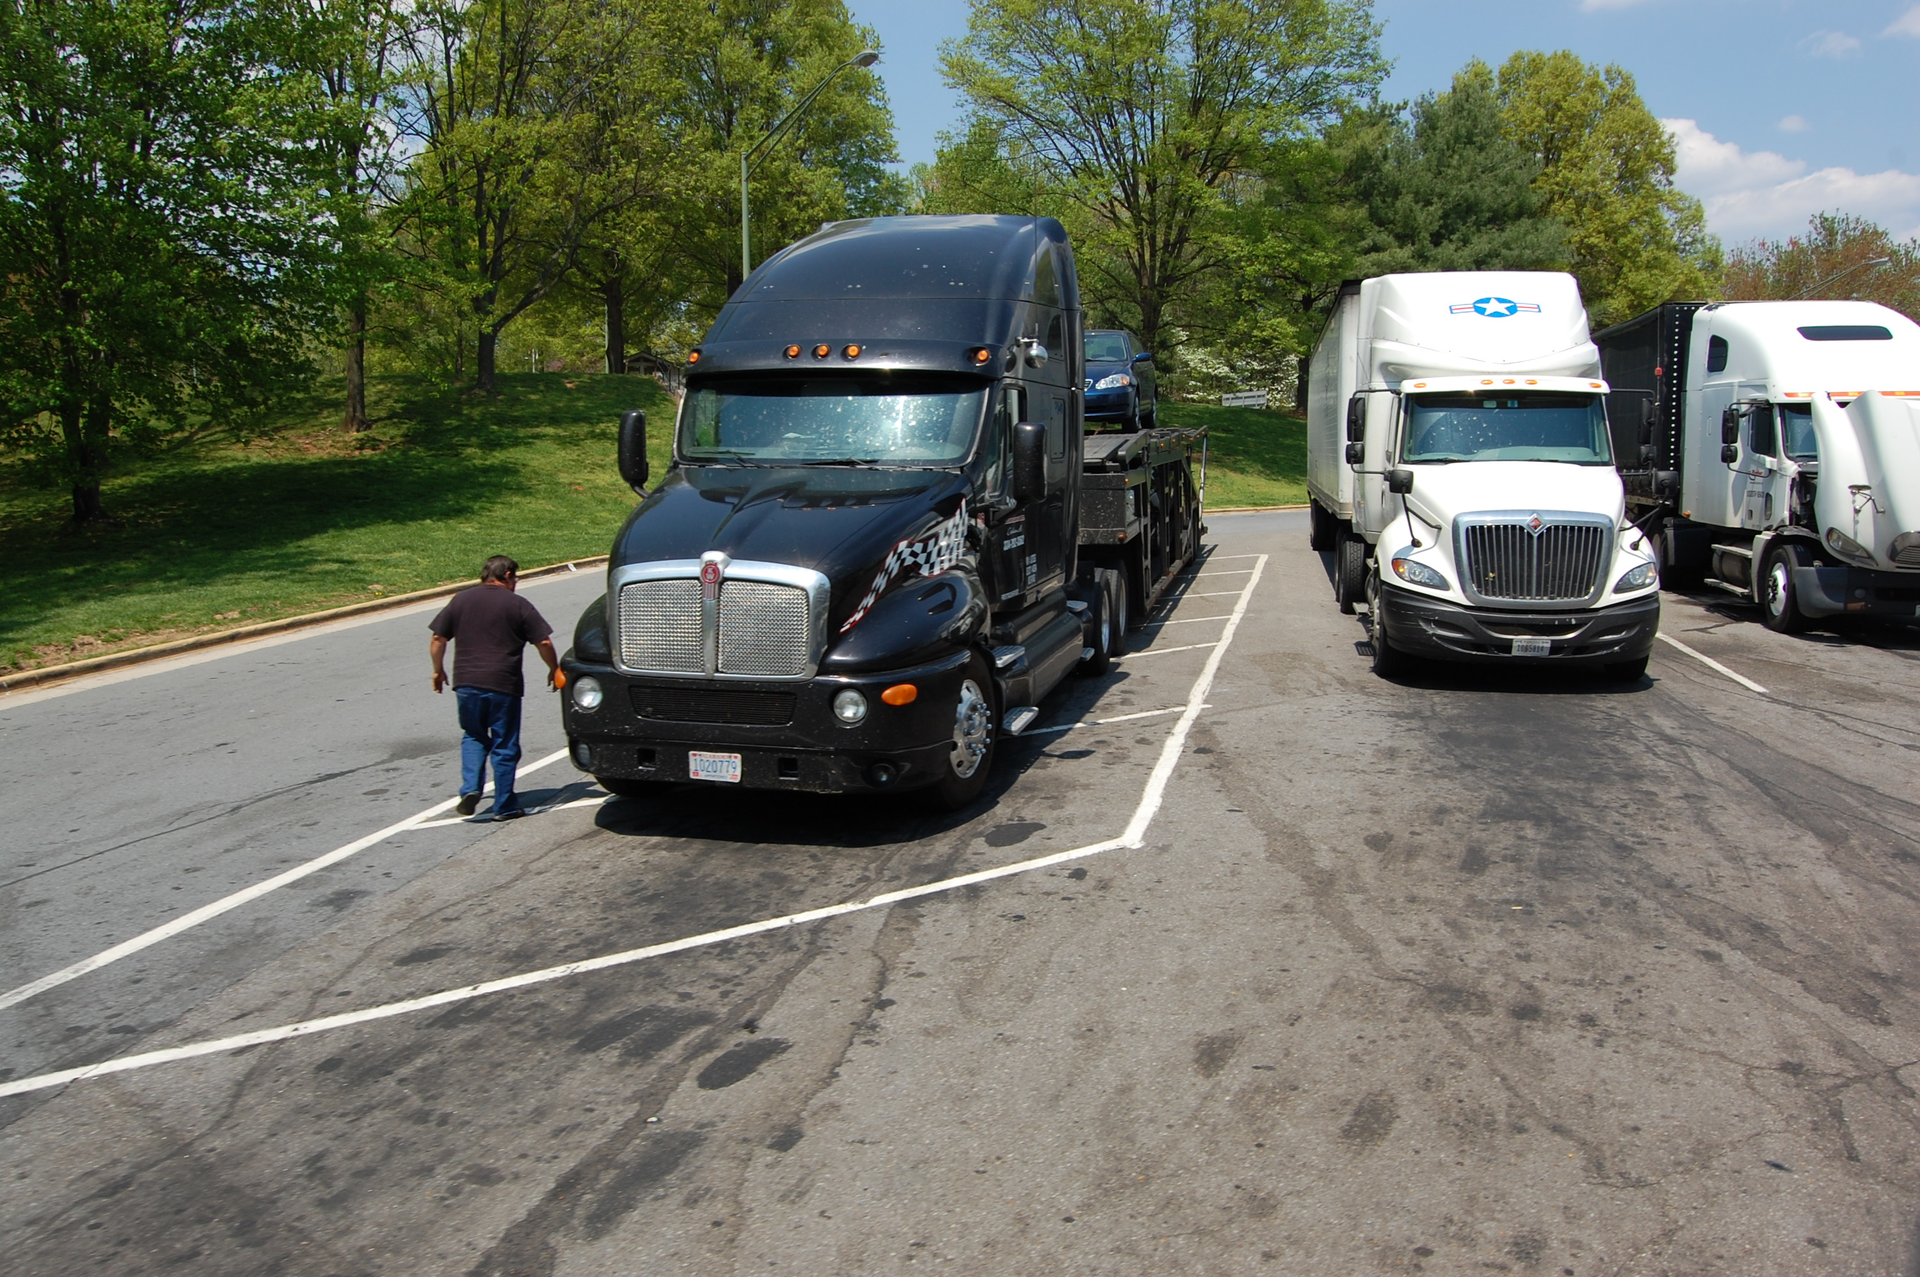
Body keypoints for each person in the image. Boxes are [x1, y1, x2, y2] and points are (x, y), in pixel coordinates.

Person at [428, 556, 558, 820]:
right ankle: (505, 806)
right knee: (504, 743)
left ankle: (470, 789)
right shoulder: (517, 604)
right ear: (507, 575)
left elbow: (438, 637)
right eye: (516, 578)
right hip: (502, 684)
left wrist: (437, 669)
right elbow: (543, 641)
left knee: (473, 735)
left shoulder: (461, 600)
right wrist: (554, 669)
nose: (516, 583)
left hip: (465, 683)